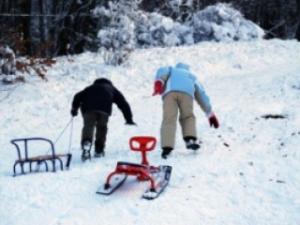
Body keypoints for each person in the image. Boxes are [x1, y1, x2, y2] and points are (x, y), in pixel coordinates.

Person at [153, 62, 219, 159]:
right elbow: (201, 95)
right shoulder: (192, 76)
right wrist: (209, 113)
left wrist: (159, 82)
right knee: (187, 117)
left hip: (169, 93)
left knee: (169, 119)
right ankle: (190, 139)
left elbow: (162, 71)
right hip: (187, 94)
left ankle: (167, 147)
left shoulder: (171, 69)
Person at [71, 78, 136, 160]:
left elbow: (77, 96)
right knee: (102, 128)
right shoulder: (111, 88)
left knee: (88, 126)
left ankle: (86, 143)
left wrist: (74, 109)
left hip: (88, 109)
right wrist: (128, 119)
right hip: (104, 110)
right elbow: (123, 103)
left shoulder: (90, 88)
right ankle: (99, 150)